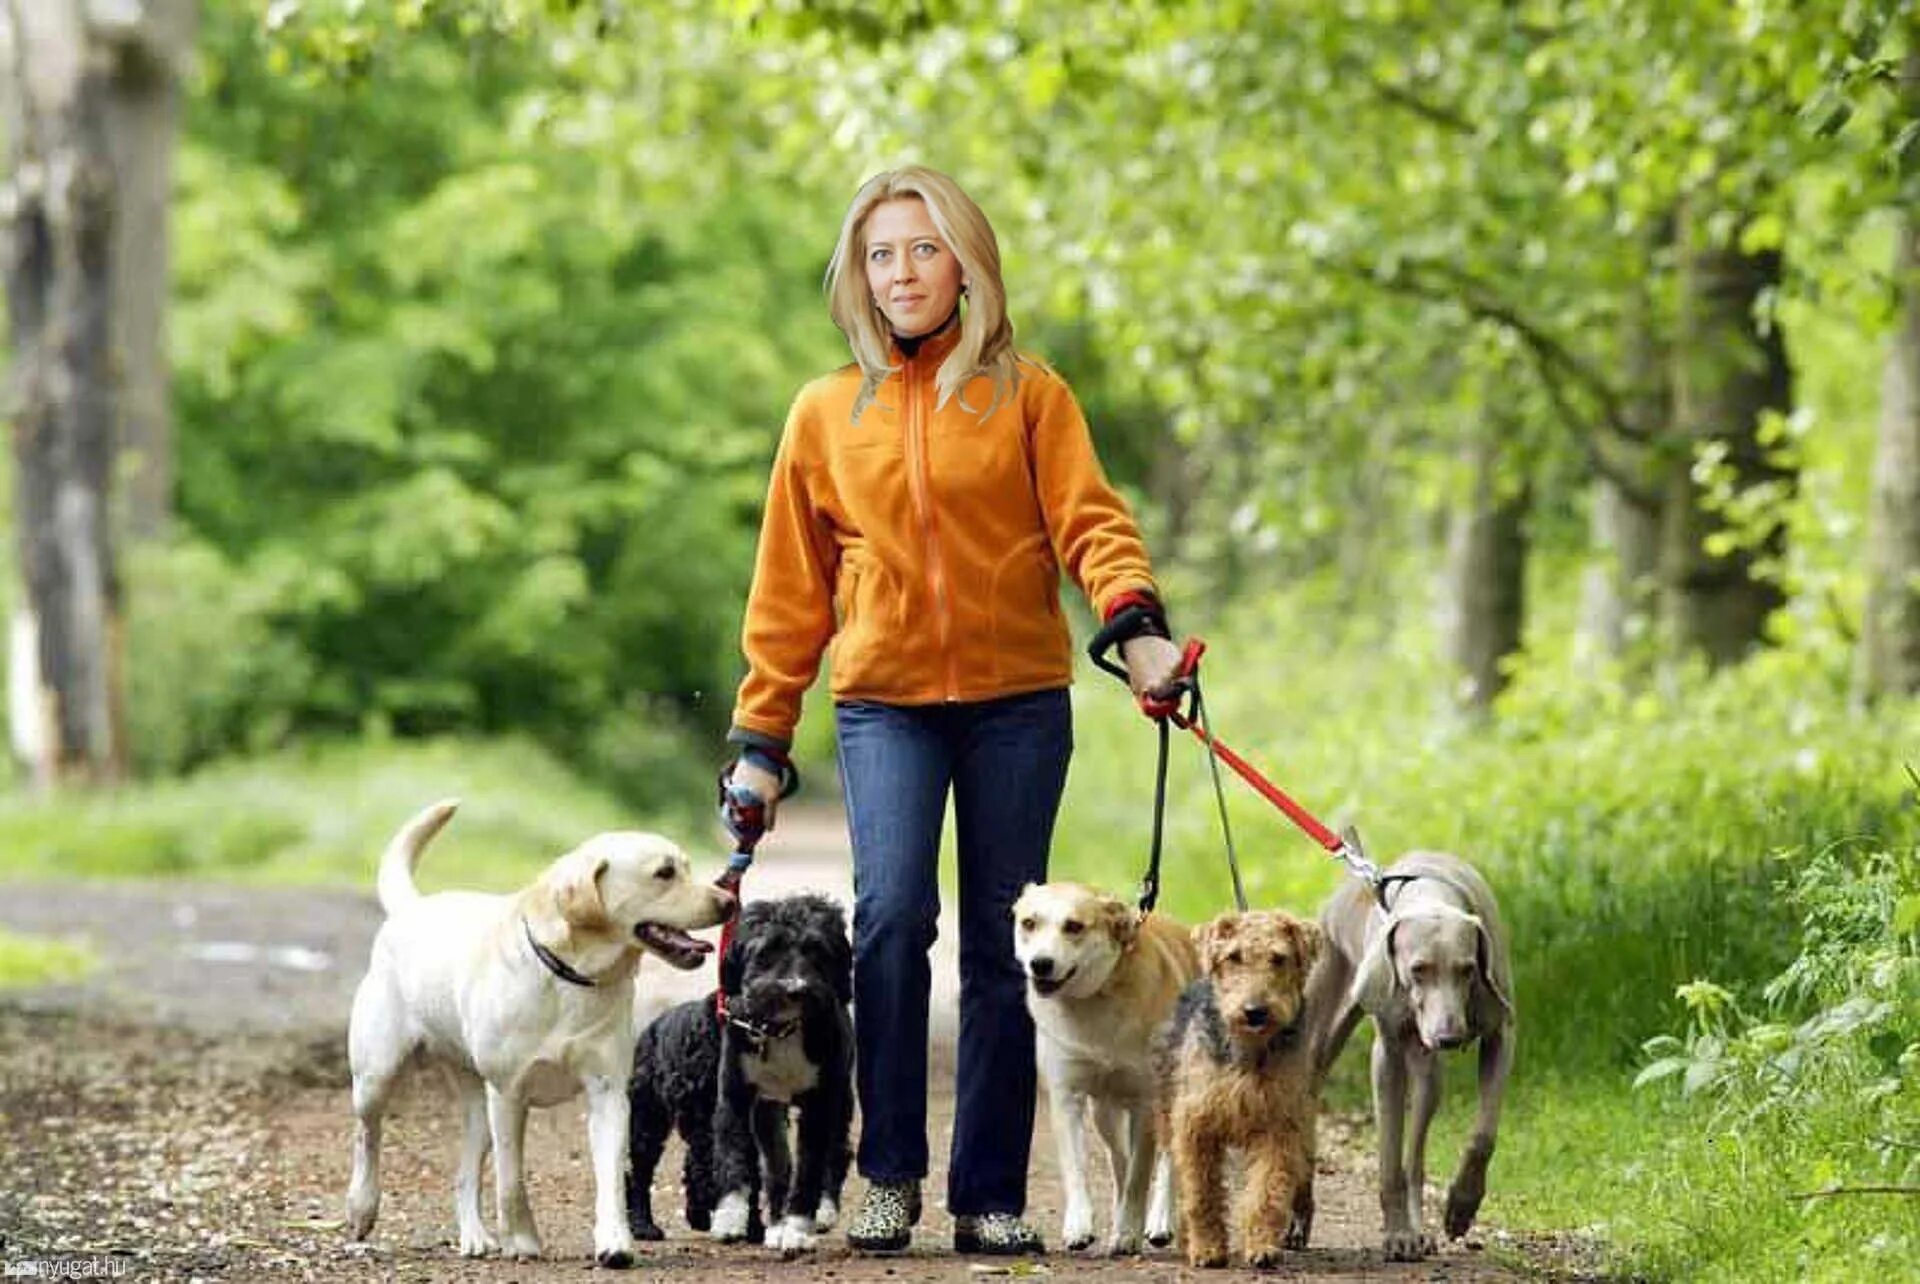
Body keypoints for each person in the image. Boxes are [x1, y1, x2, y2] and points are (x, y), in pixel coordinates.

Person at [721, 165, 1184, 1256]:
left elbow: (1092, 525)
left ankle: (986, 1192)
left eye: (924, 249)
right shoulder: (826, 410)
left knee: (1000, 939)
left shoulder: (1031, 394)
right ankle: (885, 1175)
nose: (903, 273)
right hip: (884, 702)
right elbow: (788, 587)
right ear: (857, 276)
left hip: (1018, 699)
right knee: (887, 925)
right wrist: (761, 737)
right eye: (881, 254)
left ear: (967, 262)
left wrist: (1138, 623)